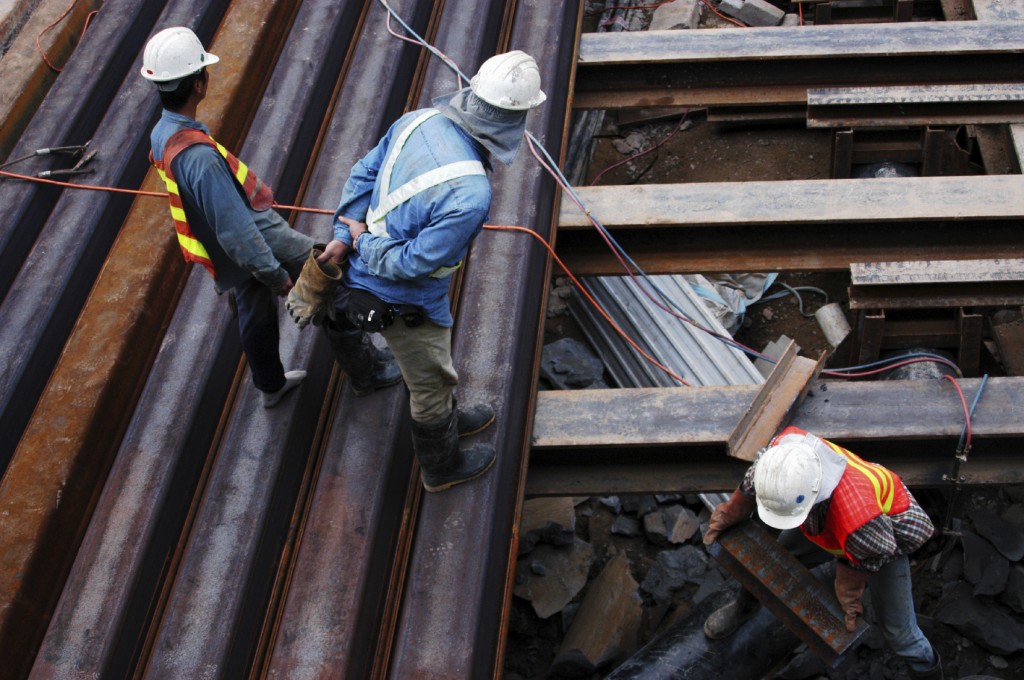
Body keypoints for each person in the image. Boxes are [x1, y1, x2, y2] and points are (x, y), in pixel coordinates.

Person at [312, 51, 546, 492]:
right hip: (403, 295)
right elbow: (414, 263)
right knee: (433, 383)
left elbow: (363, 173)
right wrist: (360, 241)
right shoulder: (471, 193)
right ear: (518, 116)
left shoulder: (417, 120)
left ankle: (365, 376)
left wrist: (343, 234)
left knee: (341, 312)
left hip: (359, 263)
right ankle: (441, 467)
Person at [140, 26, 401, 408]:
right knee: (331, 282)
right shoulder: (198, 159)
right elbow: (238, 231)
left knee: (253, 316)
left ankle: (270, 385)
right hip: (254, 242)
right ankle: (367, 373)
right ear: (198, 84)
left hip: (226, 253)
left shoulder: (163, 133)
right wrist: (277, 276)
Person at [702, 426, 942, 680]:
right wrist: (729, 513)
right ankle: (743, 608)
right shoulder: (784, 457)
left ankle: (927, 671)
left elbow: (870, 556)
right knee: (773, 563)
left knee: (900, 634)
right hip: (832, 520)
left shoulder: (860, 521)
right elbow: (753, 481)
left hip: (888, 535)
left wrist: (848, 595)